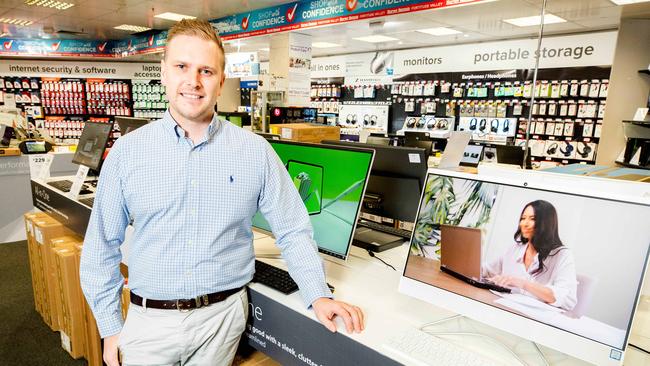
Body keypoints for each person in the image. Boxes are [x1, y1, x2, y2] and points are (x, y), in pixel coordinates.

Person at [79, 19, 364, 366]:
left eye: (206, 71)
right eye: (182, 67)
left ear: (220, 81)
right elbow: (100, 248)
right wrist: (110, 328)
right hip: (148, 324)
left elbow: (292, 227)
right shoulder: (129, 153)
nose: (193, 82)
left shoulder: (254, 151)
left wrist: (317, 294)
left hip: (223, 321)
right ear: (164, 73)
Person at [484, 200, 578, 311]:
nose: (525, 224)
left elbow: (567, 300)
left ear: (546, 223)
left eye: (532, 219)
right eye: (523, 218)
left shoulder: (562, 255)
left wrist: (523, 283)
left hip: (538, 318)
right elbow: (486, 271)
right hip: (506, 308)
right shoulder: (514, 249)